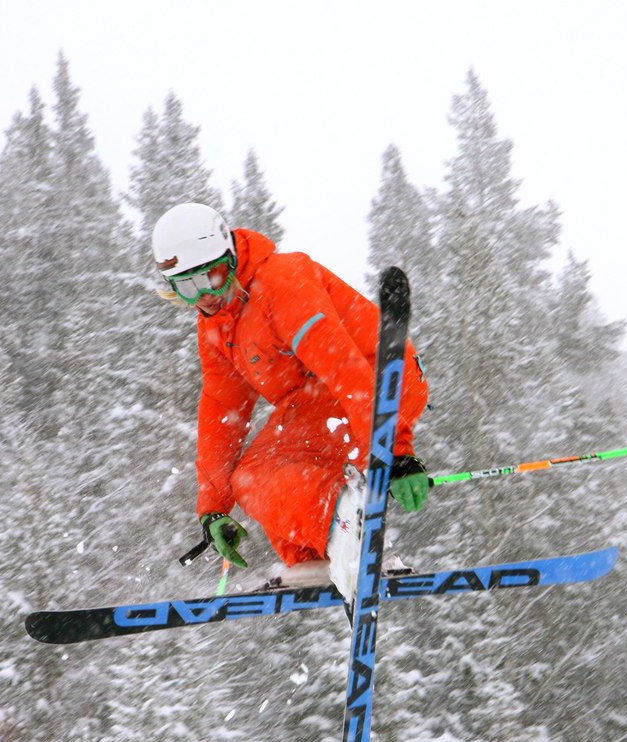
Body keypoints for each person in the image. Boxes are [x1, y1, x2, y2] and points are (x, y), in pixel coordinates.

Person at [151, 202, 429, 599]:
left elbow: (343, 368)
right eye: (186, 286)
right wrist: (213, 507)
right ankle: (315, 557)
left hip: (380, 381)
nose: (205, 295)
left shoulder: (280, 283)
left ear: (229, 259)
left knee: (259, 471)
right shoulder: (218, 324)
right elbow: (221, 414)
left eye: (210, 276)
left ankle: (348, 533)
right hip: (320, 404)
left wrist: (396, 450)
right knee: (252, 474)